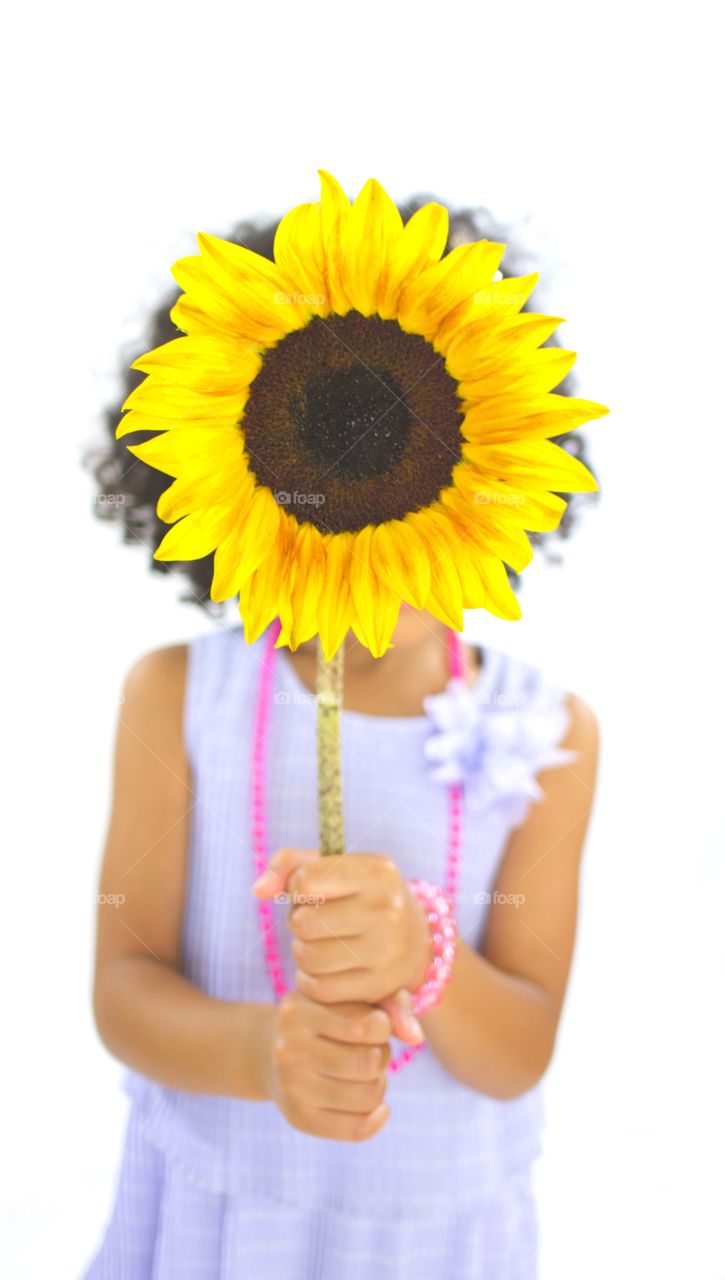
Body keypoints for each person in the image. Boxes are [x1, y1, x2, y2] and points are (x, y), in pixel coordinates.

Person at [82, 197, 600, 1279]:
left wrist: (425, 957)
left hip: (439, 1232)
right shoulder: (176, 695)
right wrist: (255, 1052)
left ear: (498, 480)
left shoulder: (548, 733)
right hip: (224, 1219)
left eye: (412, 461)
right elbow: (124, 983)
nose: (373, 508)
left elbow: (520, 1049)